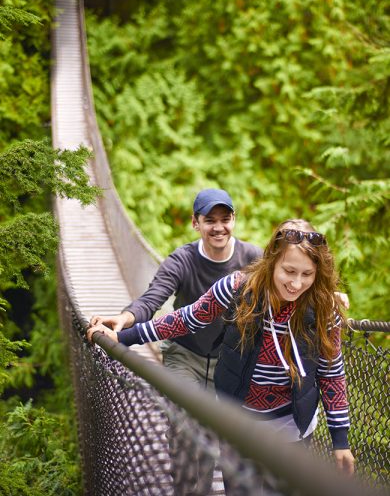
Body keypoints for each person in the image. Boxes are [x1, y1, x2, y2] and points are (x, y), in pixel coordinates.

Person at [87, 218, 355, 493]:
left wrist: (340, 441)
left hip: (292, 430)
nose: (297, 283)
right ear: (272, 260)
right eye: (289, 271)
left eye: (307, 274)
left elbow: (331, 373)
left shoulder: (324, 310)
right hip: (235, 422)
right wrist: (123, 337)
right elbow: (186, 319)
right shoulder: (238, 288)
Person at [88, 188, 263, 389]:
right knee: (188, 412)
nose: (219, 227)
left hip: (231, 360)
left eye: (225, 219)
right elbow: (151, 300)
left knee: (218, 419)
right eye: (210, 220)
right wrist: (124, 318)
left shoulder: (253, 259)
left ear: (234, 219)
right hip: (184, 356)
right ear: (195, 223)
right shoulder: (182, 260)